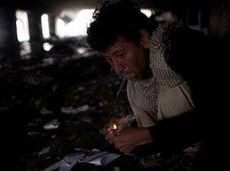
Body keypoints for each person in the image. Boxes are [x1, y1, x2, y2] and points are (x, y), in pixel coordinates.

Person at [87, 0, 209, 169]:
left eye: (120, 54)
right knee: (135, 90)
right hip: (179, 147)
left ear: (143, 39)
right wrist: (128, 131)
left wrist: (146, 135)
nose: (117, 69)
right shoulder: (140, 75)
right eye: (109, 60)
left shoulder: (180, 47)